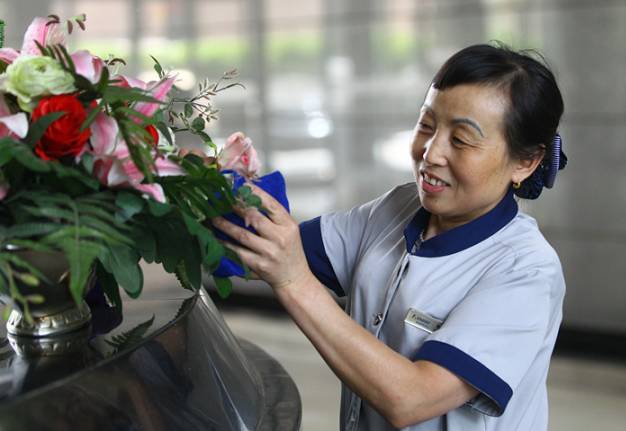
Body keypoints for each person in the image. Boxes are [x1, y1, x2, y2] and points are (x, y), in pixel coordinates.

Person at [212, 43, 567, 431]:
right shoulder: (397, 209)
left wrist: (294, 281)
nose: (431, 154)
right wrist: (196, 185)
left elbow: (411, 398)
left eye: (462, 140)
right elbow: (270, 247)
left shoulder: (527, 270)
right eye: (427, 126)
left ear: (526, 162)